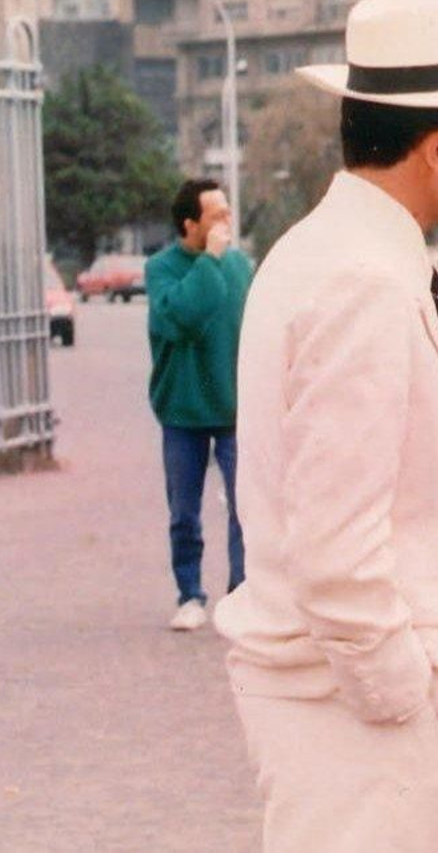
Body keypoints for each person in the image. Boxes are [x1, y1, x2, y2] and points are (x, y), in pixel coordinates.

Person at [210, 0, 438, 851]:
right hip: (356, 725)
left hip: (342, 712)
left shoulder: (327, 253)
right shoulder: (363, 279)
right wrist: (410, 703)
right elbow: (336, 555)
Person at [146, 178, 253, 631]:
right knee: (184, 512)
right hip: (183, 411)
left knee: (245, 509)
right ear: (191, 224)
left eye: (228, 212)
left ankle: (241, 594)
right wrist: (209, 260)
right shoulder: (161, 269)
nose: (227, 221)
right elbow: (184, 317)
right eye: (217, 215)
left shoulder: (241, 266)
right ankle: (190, 594)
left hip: (234, 410)